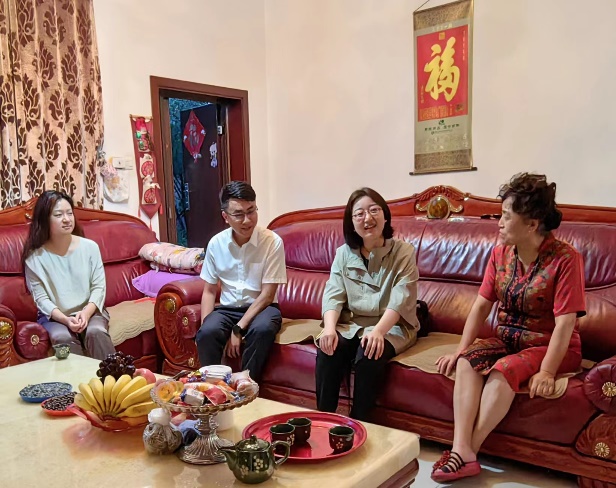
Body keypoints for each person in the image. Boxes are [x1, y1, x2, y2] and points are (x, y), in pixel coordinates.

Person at [432, 173, 586, 483]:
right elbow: (480, 306)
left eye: (506, 216)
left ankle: (466, 453)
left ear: (531, 224)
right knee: (468, 362)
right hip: (508, 340)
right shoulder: (499, 254)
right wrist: (461, 349)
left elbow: (565, 323)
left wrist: (547, 371)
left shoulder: (566, 259)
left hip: (550, 346)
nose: (499, 223)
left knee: (503, 370)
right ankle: (461, 448)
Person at [316, 187, 420, 421]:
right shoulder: (343, 253)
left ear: (385, 216)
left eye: (374, 210)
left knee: (370, 353)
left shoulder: (404, 252)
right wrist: (329, 329)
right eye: (359, 214)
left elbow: (400, 298)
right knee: (328, 347)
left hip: (391, 326)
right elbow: (333, 293)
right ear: (351, 223)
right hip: (353, 324)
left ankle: (359, 423)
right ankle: (324, 420)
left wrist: (379, 331)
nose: (368, 218)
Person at [195, 181, 287, 382]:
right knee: (207, 332)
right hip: (227, 309)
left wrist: (238, 329)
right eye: (238, 214)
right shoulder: (216, 244)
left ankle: (246, 385)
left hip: (263, 308)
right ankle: (212, 388)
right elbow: (209, 291)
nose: (247, 220)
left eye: (251, 211)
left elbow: (268, 295)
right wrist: (206, 328)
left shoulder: (272, 242)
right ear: (225, 217)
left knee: (262, 329)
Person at [22, 190, 115, 360]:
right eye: (58, 215)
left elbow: (99, 287)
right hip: (54, 317)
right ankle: (79, 378)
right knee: (62, 338)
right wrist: (65, 320)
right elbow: (41, 300)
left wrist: (86, 314)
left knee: (95, 332)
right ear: (44, 220)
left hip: (91, 310)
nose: (66, 219)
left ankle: (114, 375)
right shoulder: (34, 258)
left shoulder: (90, 247)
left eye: (69, 213)